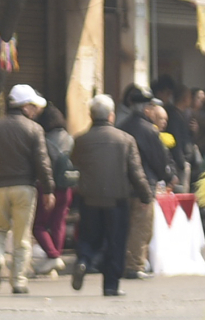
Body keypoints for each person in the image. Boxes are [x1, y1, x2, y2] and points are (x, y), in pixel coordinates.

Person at [0, 85, 57, 294]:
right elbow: (42, 162)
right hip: (24, 188)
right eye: (34, 107)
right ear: (26, 107)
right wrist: (48, 189)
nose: (36, 111)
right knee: (22, 236)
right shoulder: (34, 129)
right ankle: (19, 281)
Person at [69, 95, 152, 297]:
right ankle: (110, 286)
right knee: (116, 241)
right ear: (112, 115)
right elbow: (136, 172)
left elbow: (75, 162)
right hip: (117, 199)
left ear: (91, 115)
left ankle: (83, 260)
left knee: (90, 236)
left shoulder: (81, 140)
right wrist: (145, 195)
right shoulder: (125, 140)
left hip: (89, 198)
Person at [120, 97, 171, 279]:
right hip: (143, 186)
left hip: (122, 185)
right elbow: (159, 160)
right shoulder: (149, 130)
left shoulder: (122, 126)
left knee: (124, 226)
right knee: (141, 228)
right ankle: (135, 265)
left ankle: (123, 263)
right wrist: (167, 176)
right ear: (148, 110)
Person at [32, 102, 76, 271]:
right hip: (66, 186)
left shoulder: (43, 140)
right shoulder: (70, 138)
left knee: (39, 225)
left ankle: (53, 255)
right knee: (59, 223)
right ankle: (56, 253)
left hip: (47, 187)